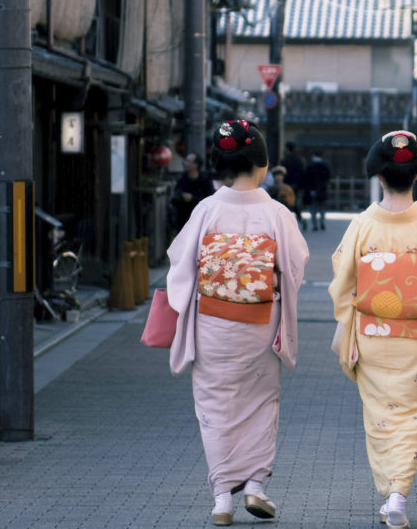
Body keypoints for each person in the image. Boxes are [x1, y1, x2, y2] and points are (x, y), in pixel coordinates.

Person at [165, 120, 309, 527]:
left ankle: (221, 500)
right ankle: (255, 487)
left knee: (214, 406)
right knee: (262, 403)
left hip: (212, 325)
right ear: (262, 165)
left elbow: (180, 265)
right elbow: (295, 265)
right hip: (260, 325)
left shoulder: (206, 209)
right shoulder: (277, 213)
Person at [328, 131, 417, 529]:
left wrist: (355, 313)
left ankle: (391, 493)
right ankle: (399, 494)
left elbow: (342, 281)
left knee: (380, 418)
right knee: (414, 417)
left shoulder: (362, 225)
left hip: (372, 337)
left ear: (380, 177)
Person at [172, 153, 215, 231]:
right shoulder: (182, 179)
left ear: (196, 165)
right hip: (183, 221)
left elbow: (211, 200)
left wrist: (192, 198)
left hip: (200, 220)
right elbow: (174, 199)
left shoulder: (205, 180)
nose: (184, 163)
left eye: (188, 161)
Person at [280, 142, 307, 230]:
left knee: (286, 203)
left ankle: (288, 223)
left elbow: (283, 174)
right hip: (296, 185)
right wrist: (302, 186)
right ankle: (300, 219)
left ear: (287, 149)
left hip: (287, 185)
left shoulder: (285, 161)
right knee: (294, 203)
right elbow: (302, 174)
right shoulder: (298, 160)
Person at [304, 150, 331, 231]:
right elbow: (327, 177)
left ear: (314, 155)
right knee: (322, 207)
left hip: (312, 189)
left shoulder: (310, 165)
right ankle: (322, 222)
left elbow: (306, 178)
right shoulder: (325, 165)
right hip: (322, 189)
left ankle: (314, 224)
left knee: (313, 208)